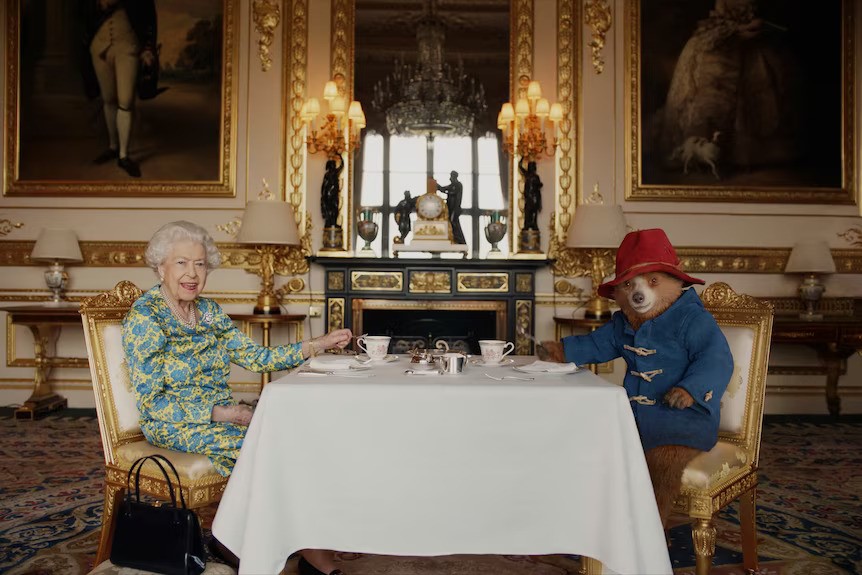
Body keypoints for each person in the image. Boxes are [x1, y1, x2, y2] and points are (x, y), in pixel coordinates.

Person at [122, 221, 350, 575]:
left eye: (200, 264)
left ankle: (252, 541)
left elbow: (257, 358)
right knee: (268, 446)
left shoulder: (209, 312)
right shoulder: (146, 316)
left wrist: (316, 345)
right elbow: (152, 401)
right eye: (181, 263)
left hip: (222, 416)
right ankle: (299, 548)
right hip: (171, 422)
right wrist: (221, 413)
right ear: (160, 267)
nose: (192, 273)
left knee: (288, 439)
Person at [655, 0, 801, 171]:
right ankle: (703, 148)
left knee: (764, 77)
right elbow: (717, 19)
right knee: (709, 86)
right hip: (720, 40)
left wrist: (755, 26)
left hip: (752, 43)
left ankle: (739, 151)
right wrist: (734, 29)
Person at [82, 0, 159, 178]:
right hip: (99, 46)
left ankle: (124, 155)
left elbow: (149, 15)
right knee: (108, 99)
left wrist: (148, 47)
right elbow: (83, 13)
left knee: (125, 101)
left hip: (128, 46)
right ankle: (113, 146)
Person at [436, 171, 466, 244]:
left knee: (454, 223)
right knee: (452, 223)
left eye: (451, 176)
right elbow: (444, 189)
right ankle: (455, 239)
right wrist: (437, 186)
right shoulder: (453, 185)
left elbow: (450, 191)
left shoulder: (458, 185)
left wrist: (441, 189)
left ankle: (460, 240)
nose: (450, 178)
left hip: (455, 209)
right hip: (451, 208)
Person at [321, 158, 344, 228]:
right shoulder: (327, 175)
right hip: (329, 194)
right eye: (333, 165)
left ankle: (333, 222)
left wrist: (340, 156)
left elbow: (341, 166)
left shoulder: (335, 172)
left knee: (335, 208)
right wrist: (324, 194)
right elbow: (324, 185)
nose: (334, 166)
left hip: (334, 194)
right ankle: (330, 222)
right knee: (329, 209)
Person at [520, 161, 542, 230]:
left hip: (534, 197)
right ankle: (527, 224)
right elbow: (520, 167)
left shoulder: (536, 177)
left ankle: (533, 224)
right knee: (528, 211)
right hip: (529, 197)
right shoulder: (527, 175)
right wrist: (522, 158)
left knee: (534, 212)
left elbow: (539, 186)